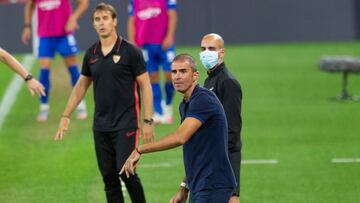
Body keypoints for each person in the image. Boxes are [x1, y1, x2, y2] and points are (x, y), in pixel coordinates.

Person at [54, 3, 154, 203]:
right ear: (93, 24)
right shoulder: (91, 54)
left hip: (126, 123)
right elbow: (81, 85)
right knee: (109, 178)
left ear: (114, 21)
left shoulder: (130, 51)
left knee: (127, 172)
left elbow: (146, 86)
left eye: (105, 18)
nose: (101, 23)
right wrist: (66, 115)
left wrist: (148, 121)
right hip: (100, 126)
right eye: (97, 19)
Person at [120, 54, 236, 203]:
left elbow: (180, 137)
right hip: (199, 185)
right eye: (174, 72)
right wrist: (184, 188)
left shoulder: (203, 100)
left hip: (213, 185)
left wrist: (139, 149)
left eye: (183, 71)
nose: (177, 77)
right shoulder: (186, 104)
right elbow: (196, 151)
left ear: (195, 75)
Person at [21, 0, 88, 122]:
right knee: (44, 71)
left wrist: (73, 18)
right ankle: (44, 107)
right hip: (45, 35)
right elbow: (29, 5)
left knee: (73, 70)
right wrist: (27, 26)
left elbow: (83, 3)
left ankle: (80, 105)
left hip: (64, 34)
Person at [200, 33, 243, 203]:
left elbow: (232, 132)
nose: (206, 53)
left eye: (211, 49)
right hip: (212, 157)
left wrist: (212, 155)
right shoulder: (209, 80)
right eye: (203, 49)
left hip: (224, 161)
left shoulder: (228, 82)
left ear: (221, 53)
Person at [127, 0, 177, 124]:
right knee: (152, 77)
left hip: (164, 42)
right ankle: (158, 112)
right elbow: (131, 20)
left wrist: (169, 36)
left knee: (171, 76)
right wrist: (132, 41)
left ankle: (168, 103)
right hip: (145, 44)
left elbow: (172, 15)